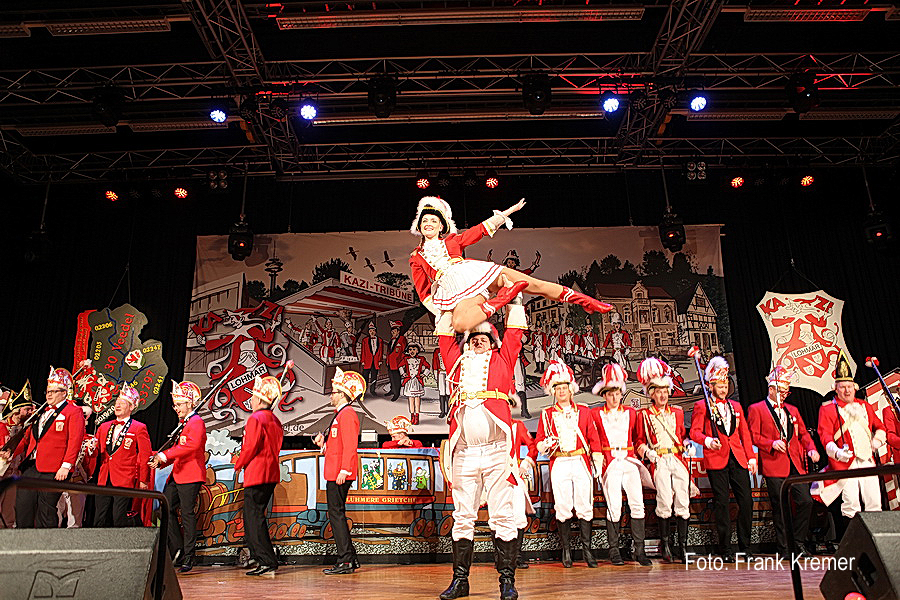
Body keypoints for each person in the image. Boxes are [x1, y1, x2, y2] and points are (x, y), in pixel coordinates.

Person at [409, 196, 612, 335]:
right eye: (425, 220)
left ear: (441, 226)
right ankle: (503, 298)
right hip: (455, 291)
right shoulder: (416, 256)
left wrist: (508, 212)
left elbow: (480, 230)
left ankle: (586, 301)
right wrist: (440, 312)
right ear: (419, 226)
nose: (429, 223)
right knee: (460, 324)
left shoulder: (452, 240)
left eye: (433, 221)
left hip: (475, 273)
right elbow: (423, 292)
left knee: (535, 285)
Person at [436, 298, 527, 600]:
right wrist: (447, 305)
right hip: (464, 452)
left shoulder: (503, 360)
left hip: (498, 450)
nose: (478, 341)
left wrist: (515, 301)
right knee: (463, 517)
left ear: (492, 343)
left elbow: (515, 332)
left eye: (484, 337)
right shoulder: (457, 363)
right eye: (473, 337)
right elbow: (445, 334)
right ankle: (460, 582)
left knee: (502, 516)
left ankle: (507, 582)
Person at [689, 356, 757, 563]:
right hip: (717, 458)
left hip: (738, 458)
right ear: (711, 386)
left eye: (726, 385)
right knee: (722, 503)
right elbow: (694, 432)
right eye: (720, 386)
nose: (724, 389)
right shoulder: (702, 406)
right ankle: (725, 548)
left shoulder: (736, 406)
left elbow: (744, 434)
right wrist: (708, 441)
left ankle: (746, 546)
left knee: (746, 501)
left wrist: (751, 457)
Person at [535, 360, 602, 568]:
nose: (562, 391)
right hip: (560, 462)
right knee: (563, 506)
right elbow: (539, 440)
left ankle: (587, 551)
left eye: (564, 387)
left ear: (571, 389)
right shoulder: (546, 414)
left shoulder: (584, 411)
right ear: (553, 391)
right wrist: (545, 445)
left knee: (584, 505)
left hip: (580, 461)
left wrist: (597, 461)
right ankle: (566, 551)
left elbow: (593, 438)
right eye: (558, 388)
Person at [748, 365, 820, 558]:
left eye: (786, 392)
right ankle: (784, 549)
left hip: (794, 463)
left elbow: (803, 433)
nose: (784, 395)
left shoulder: (792, 410)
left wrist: (811, 448)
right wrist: (771, 443)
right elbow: (753, 435)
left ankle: (798, 541)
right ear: (771, 389)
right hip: (773, 464)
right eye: (781, 391)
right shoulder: (757, 409)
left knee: (806, 502)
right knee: (780, 507)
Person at [5, 367, 86, 529]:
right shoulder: (42, 412)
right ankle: (22, 538)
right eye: (48, 391)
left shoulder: (73, 411)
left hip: (55, 468)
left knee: (46, 509)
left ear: (64, 393)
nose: (49, 395)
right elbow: (30, 438)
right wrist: (11, 451)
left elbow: (75, 440)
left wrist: (66, 466)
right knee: (23, 505)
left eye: (54, 391)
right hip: (33, 465)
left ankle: (46, 542)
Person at [814, 349, 887, 523]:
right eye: (842, 387)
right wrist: (837, 452)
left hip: (867, 460)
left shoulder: (865, 406)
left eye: (849, 387)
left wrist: (878, 439)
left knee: (874, 502)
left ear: (854, 387)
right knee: (851, 504)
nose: (847, 391)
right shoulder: (827, 409)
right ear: (836, 389)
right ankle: (854, 537)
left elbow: (880, 426)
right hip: (846, 464)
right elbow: (825, 435)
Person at [592, 363, 653, 566]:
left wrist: (645, 452)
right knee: (614, 506)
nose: (614, 398)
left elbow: (638, 438)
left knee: (637, 504)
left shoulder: (631, 413)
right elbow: (593, 439)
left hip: (628, 460)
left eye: (617, 393)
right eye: (610, 394)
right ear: (604, 395)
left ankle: (640, 550)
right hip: (610, 463)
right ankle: (614, 550)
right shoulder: (596, 414)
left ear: (621, 394)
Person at [636, 357, 695, 563]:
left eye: (665, 391)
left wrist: (687, 444)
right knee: (664, 500)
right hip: (659, 459)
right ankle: (666, 545)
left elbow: (682, 435)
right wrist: (648, 453)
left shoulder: (677, 412)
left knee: (683, 500)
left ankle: (683, 546)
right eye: (658, 392)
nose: (662, 395)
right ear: (652, 394)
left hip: (676, 458)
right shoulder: (644, 415)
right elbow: (638, 441)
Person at [149, 380, 207, 573]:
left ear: (190, 403)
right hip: (178, 474)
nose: (176, 408)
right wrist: (161, 462)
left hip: (191, 475)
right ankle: (178, 549)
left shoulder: (196, 422)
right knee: (164, 509)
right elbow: (178, 450)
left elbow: (191, 446)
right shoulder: (185, 423)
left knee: (187, 515)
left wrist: (164, 455)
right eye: (175, 405)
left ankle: (189, 556)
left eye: (180, 404)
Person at [315, 367, 365, 575]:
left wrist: (345, 469)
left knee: (336, 515)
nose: (331, 395)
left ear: (343, 394)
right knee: (336, 514)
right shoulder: (340, 415)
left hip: (339, 473)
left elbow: (351, 445)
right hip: (335, 471)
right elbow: (338, 445)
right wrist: (323, 445)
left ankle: (345, 560)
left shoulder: (347, 415)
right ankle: (349, 558)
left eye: (334, 392)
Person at [234, 375, 284, 576]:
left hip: (257, 472)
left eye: (253, 397)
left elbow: (250, 446)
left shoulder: (256, 418)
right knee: (255, 517)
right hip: (270, 472)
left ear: (260, 399)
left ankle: (265, 559)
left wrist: (239, 463)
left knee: (253, 518)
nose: (251, 401)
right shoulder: (275, 420)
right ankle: (259, 556)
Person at [93, 384, 152, 527]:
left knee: (118, 516)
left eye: (122, 403)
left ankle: (122, 539)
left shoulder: (139, 427)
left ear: (131, 407)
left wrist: (144, 479)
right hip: (104, 476)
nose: (117, 405)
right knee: (99, 515)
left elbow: (145, 455)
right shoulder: (104, 426)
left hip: (124, 477)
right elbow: (96, 451)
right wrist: (91, 449)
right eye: (116, 402)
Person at [0, 381, 34, 528]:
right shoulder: (1, 426)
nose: (30, 412)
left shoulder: (28, 430)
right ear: (17, 410)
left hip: (15, 474)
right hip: (1, 472)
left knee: (9, 513)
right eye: (27, 409)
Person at [510, 418, 537, 569]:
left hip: (514, 476)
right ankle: (500, 557)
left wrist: (525, 465)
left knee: (519, 516)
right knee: (498, 516)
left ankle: (516, 556)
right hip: (494, 476)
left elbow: (532, 447)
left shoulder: (517, 425)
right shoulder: (491, 422)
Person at [400, 343, 430, 425]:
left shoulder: (421, 359)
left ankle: (417, 417)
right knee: (411, 400)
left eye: (414, 349)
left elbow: (428, 366)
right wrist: (403, 373)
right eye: (410, 350)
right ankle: (412, 416)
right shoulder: (406, 359)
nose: (412, 351)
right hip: (409, 381)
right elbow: (400, 366)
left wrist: (424, 374)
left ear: (417, 351)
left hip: (417, 381)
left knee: (417, 399)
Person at [358, 321, 385, 393]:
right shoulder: (365, 340)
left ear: (375, 331)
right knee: (365, 376)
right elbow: (363, 351)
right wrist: (362, 361)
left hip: (376, 361)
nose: (372, 332)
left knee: (374, 376)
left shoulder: (380, 340)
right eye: (370, 331)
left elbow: (381, 351)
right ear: (368, 332)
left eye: (373, 331)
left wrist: (380, 360)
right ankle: (363, 390)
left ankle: (372, 390)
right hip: (367, 361)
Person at [386, 321, 408, 402]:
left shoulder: (402, 339)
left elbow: (404, 351)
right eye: (392, 331)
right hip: (390, 362)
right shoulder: (391, 340)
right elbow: (389, 352)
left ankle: (396, 393)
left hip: (397, 363)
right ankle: (392, 390)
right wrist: (387, 361)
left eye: (394, 331)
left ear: (398, 331)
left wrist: (402, 362)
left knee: (396, 378)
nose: (393, 332)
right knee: (391, 377)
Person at [432, 345, 450, 419]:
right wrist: (435, 374)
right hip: (441, 373)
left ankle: (449, 411)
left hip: (449, 373)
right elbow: (435, 362)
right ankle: (442, 411)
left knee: (448, 392)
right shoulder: (437, 351)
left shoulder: (450, 349)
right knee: (442, 392)